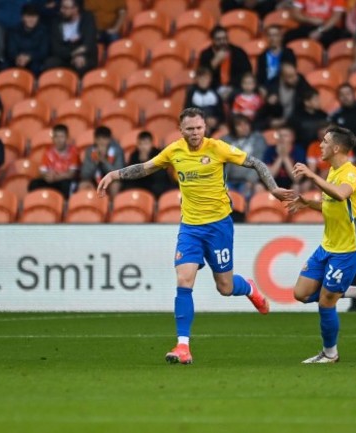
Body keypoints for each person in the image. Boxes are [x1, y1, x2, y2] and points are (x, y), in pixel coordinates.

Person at [97, 108, 294, 365]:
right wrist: (114, 174)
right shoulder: (174, 151)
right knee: (183, 279)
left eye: (199, 128)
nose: (195, 133)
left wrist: (274, 188)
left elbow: (255, 163)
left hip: (219, 226)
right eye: (190, 129)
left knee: (225, 287)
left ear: (205, 128)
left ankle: (247, 287)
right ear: (181, 130)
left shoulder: (217, 148)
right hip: (190, 227)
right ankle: (183, 346)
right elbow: (146, 168)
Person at [288, 125, 356, 363]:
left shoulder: (350, 173)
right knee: (300, 293)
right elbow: (331, 206)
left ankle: (330, 353)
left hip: (348, 249)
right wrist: (308, 203)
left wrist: (311, 176)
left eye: (325, 141)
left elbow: (341, 195)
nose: (320, 145)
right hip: (328, 246)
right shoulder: (332, 172)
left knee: (325, 302)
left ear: (336, 147)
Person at [44, 0, 98, 76]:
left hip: (84, 56)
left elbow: (88, 43)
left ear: (75, 9)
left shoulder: (87, 18)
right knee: (49, 63)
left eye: (65, 8)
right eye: (61, 7)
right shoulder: (56, 22)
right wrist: (72, 54)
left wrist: (80, 54)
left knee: (81, 65)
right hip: (64, 56)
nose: (61, 10)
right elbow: (56, 48)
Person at [198, 25, 252, 98]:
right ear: (212, 40)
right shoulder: (206, 54)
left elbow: (246, 72)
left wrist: (231, 88)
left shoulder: (239, 52)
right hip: (213, 88)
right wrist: (214, 62)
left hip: (235, 88)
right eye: (219, 39)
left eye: (225, 38)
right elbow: (202, 77)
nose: (222, 42)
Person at [222, 114, 268, 198]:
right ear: (233, 128)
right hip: (229, 180)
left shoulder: (258, 139)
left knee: (248, 193)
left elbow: (259, 162)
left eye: (246, 124)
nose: (244, 127)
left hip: (249, 180)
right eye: (239, 125)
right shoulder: (225, 140)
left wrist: (250, 180)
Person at [28, 124, 79, 198]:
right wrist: (47, 176)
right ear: (53, 138)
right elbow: (42, 172)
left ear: (67, 138)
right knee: (34, 183)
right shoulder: (48, 152)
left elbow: (72, 174)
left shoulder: (73, 152)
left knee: (66, 185)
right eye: (56, 137)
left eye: (62, 137)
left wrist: (57, 177)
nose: (59, 140)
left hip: (63, 180)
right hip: (51, 180)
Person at [121, 130, 174, 198]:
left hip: (154, 182)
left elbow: (160, 175)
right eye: (140, 144)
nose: (143, 147)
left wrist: (146, 162)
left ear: (151, 144)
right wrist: (140, 161)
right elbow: (131, 174)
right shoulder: (134, 155)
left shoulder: (158, 154)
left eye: (146, 144)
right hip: (139, 182)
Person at [79, 126, 124, 197]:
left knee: (116, 185)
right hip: (94, 180)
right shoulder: (90, 151)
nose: (101, 142)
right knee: (83, 185)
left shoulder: (117, 151)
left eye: (104, 139)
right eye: (99, 139)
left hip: (111, 181)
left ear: (109, 140)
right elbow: (84, 174)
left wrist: (103, 161)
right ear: (95, 140)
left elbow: (118, 174)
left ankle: (113, 206)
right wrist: (95, 161)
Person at [5, 4, 49, 75]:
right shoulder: (14, 30)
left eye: (34, 16)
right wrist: (18, 57)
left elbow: (43, 51)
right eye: (28, 16)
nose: (31, 20)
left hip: (35, 60)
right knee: (4, 65)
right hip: (17, 59)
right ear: (22, 17)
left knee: (36, 66)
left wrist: (29, 57)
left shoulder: (43, 31)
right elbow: (10, 49)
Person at [184, 67, 226, 134]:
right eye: (201, 78)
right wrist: (204, 120)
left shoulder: (215, 94)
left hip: (214, 125)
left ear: (210, 80)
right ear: (197, 79)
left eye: (206, 78)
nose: (203, 81)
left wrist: (216, 121)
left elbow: (221, 113)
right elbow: (187, 112)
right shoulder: (191, 93)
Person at [255, 24, 296, 91]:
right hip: (267, 88)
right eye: (269, 35)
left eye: (275, 35)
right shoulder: (262, 56)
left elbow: (290, 73)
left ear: (281, 37)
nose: (272, 38)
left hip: (284, 87)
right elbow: (260, 77)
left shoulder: (288, 53)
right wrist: (261, 88)